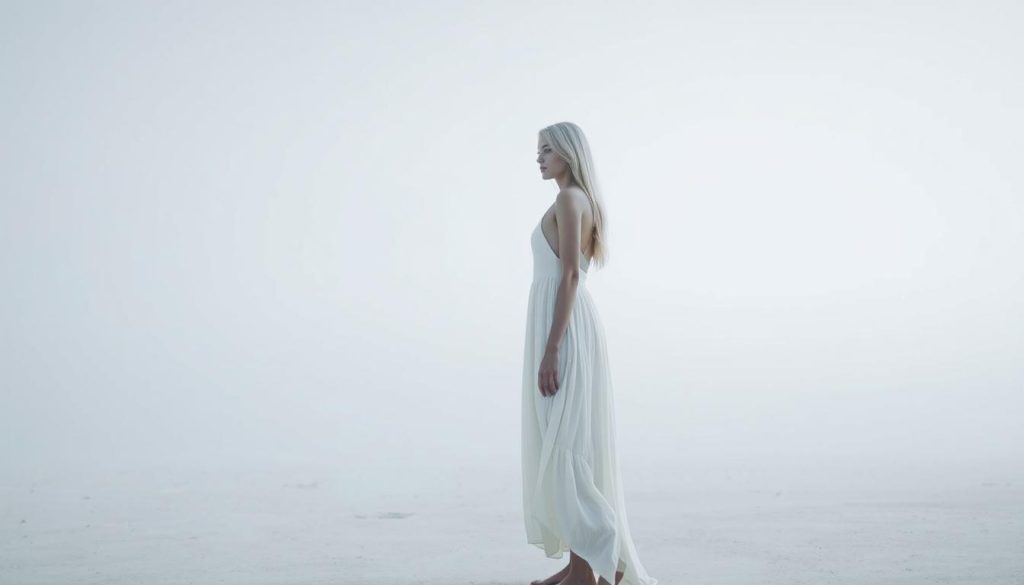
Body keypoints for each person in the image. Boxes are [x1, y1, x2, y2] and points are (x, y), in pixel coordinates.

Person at [522, 122, 658, 585]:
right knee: (568, 440)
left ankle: (605, 560)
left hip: (565, 330)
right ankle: (581, 565)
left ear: (568, 152)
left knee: (564, 444)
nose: (538, 158)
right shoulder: (579, 200)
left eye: (546, 150)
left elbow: (571, 277)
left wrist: (552, 349)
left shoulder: (568, 199)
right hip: (569, 325)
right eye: (537, 150)